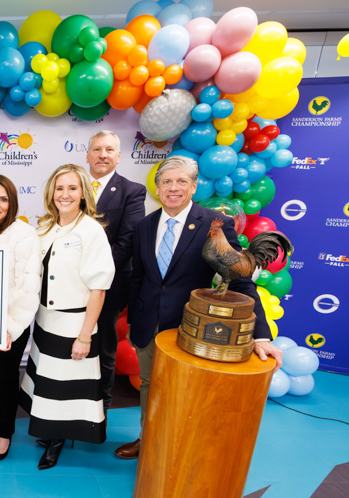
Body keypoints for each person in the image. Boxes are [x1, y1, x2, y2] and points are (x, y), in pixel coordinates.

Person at [118, 155, 283, 460]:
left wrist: (261, 336)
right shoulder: (144, 226)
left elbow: (241, 280)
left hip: (191, 330)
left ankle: (178, 450)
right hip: (147, 325)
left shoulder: (214, 224)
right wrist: (131, 322)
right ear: (157, 187)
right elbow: (138, 277)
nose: (173, 188)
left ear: (194, 187)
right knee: (148, 386)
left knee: (186, 393)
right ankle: (148, 439)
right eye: (166, 181)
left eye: (182, 181)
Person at [19, 164, 115, 470]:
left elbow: (98, 290)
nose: (65, 194)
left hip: (75, 324)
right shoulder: (45, 228)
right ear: (51, 193)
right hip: (46, 322)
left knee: (66, 387)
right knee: (48, 383)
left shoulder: (92, 231)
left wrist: (85, 335)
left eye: (72, 188)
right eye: (59, 188)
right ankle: (49, 431)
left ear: (83, 194)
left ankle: (58, 440)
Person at [0, 175, 41, 463]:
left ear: (12, 203)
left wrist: (10, 330)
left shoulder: (25, 234)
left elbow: (28, 289)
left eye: (3, 199)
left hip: (10, 328)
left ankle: (5, 435)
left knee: (6, 379)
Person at [85, 131, 146, 414]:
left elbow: (128, 241)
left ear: (118, 156)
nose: (103, 155)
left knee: (104, 349)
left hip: (109, 285)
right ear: (88, 155)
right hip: (70, 287)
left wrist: (94, 275)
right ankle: (74, 404)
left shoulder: (132, 191)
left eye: (109, 149)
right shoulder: (73, 186)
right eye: (97, 149)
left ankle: (101, 407)